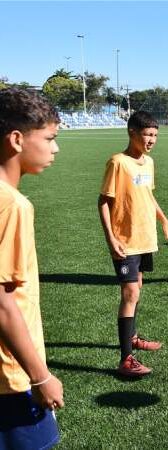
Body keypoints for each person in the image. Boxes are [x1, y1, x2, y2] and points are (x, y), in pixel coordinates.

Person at [0, 88, 64, 448]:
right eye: (50, 138)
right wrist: (40, 377)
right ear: (16, 139)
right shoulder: (13, 205)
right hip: (11, 379)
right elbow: (2, 303)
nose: (55, 149)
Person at [98, 111, 168, 378]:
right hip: (125, 242)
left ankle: (132, 337)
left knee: (137, 289)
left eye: (155, 135)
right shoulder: (118, 163)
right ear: (132, 132)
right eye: (147, 134)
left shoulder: (149, 163)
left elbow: (148, 196)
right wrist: (111, 238)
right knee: (130, 294)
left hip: (145, 238)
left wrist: (164, 221)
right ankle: (125, 359)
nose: (152, 139)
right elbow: (104, 203)